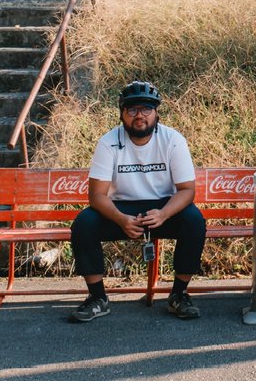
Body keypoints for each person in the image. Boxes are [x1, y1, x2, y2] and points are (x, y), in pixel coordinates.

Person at [67, 81, 206, 323]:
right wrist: (121, 219)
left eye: (146, 109)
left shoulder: (173, 140)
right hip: (121, 208)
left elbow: (186, 191)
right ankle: (98, 298)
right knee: (84, 223)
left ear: (157, 113)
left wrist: (163, 214)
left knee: (194, 220)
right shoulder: (108, 142)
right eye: (132, 110)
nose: (139, 115)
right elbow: (97, 195)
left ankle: (179, 295)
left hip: (162, 207)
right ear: (122, 113)